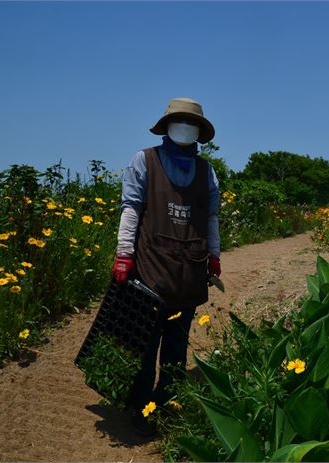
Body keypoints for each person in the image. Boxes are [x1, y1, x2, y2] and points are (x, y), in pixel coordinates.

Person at [111, 97, 221, 436]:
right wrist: (123, 254)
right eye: (180, 121)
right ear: (168, 126)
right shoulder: (144, 161)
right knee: (144, 341)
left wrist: (215, 256)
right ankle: (139, 408)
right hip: (149, 266)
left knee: (177, 343)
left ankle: (167, 403)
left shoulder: (207, 172)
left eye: (191, 123)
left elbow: (211, 218)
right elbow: (131, 209)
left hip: (189, 269)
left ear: (199, 132)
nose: (185, 127)